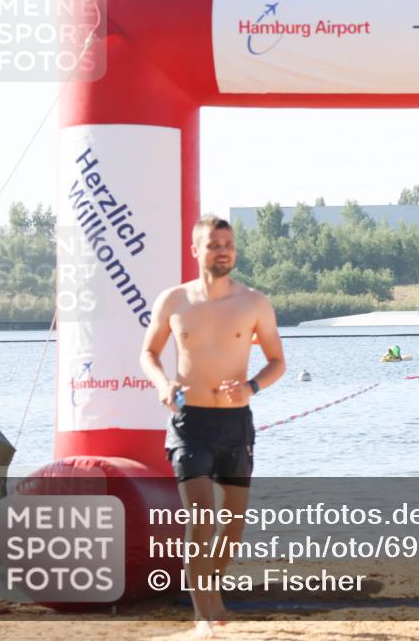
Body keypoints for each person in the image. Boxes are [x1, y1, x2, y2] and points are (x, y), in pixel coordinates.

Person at [140, 215, 285, 637]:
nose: (223, 250)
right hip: (189, 422)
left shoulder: (254, 303)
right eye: (214, 244)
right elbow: (148, 353)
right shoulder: (174, 301)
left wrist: (251, 387)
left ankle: (211, 593)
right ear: (195, 251)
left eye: (229, 243)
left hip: (236, 423)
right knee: (201, 519)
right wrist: (163, 384)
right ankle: (204, 617)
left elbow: (278, 361)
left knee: (233, 525)